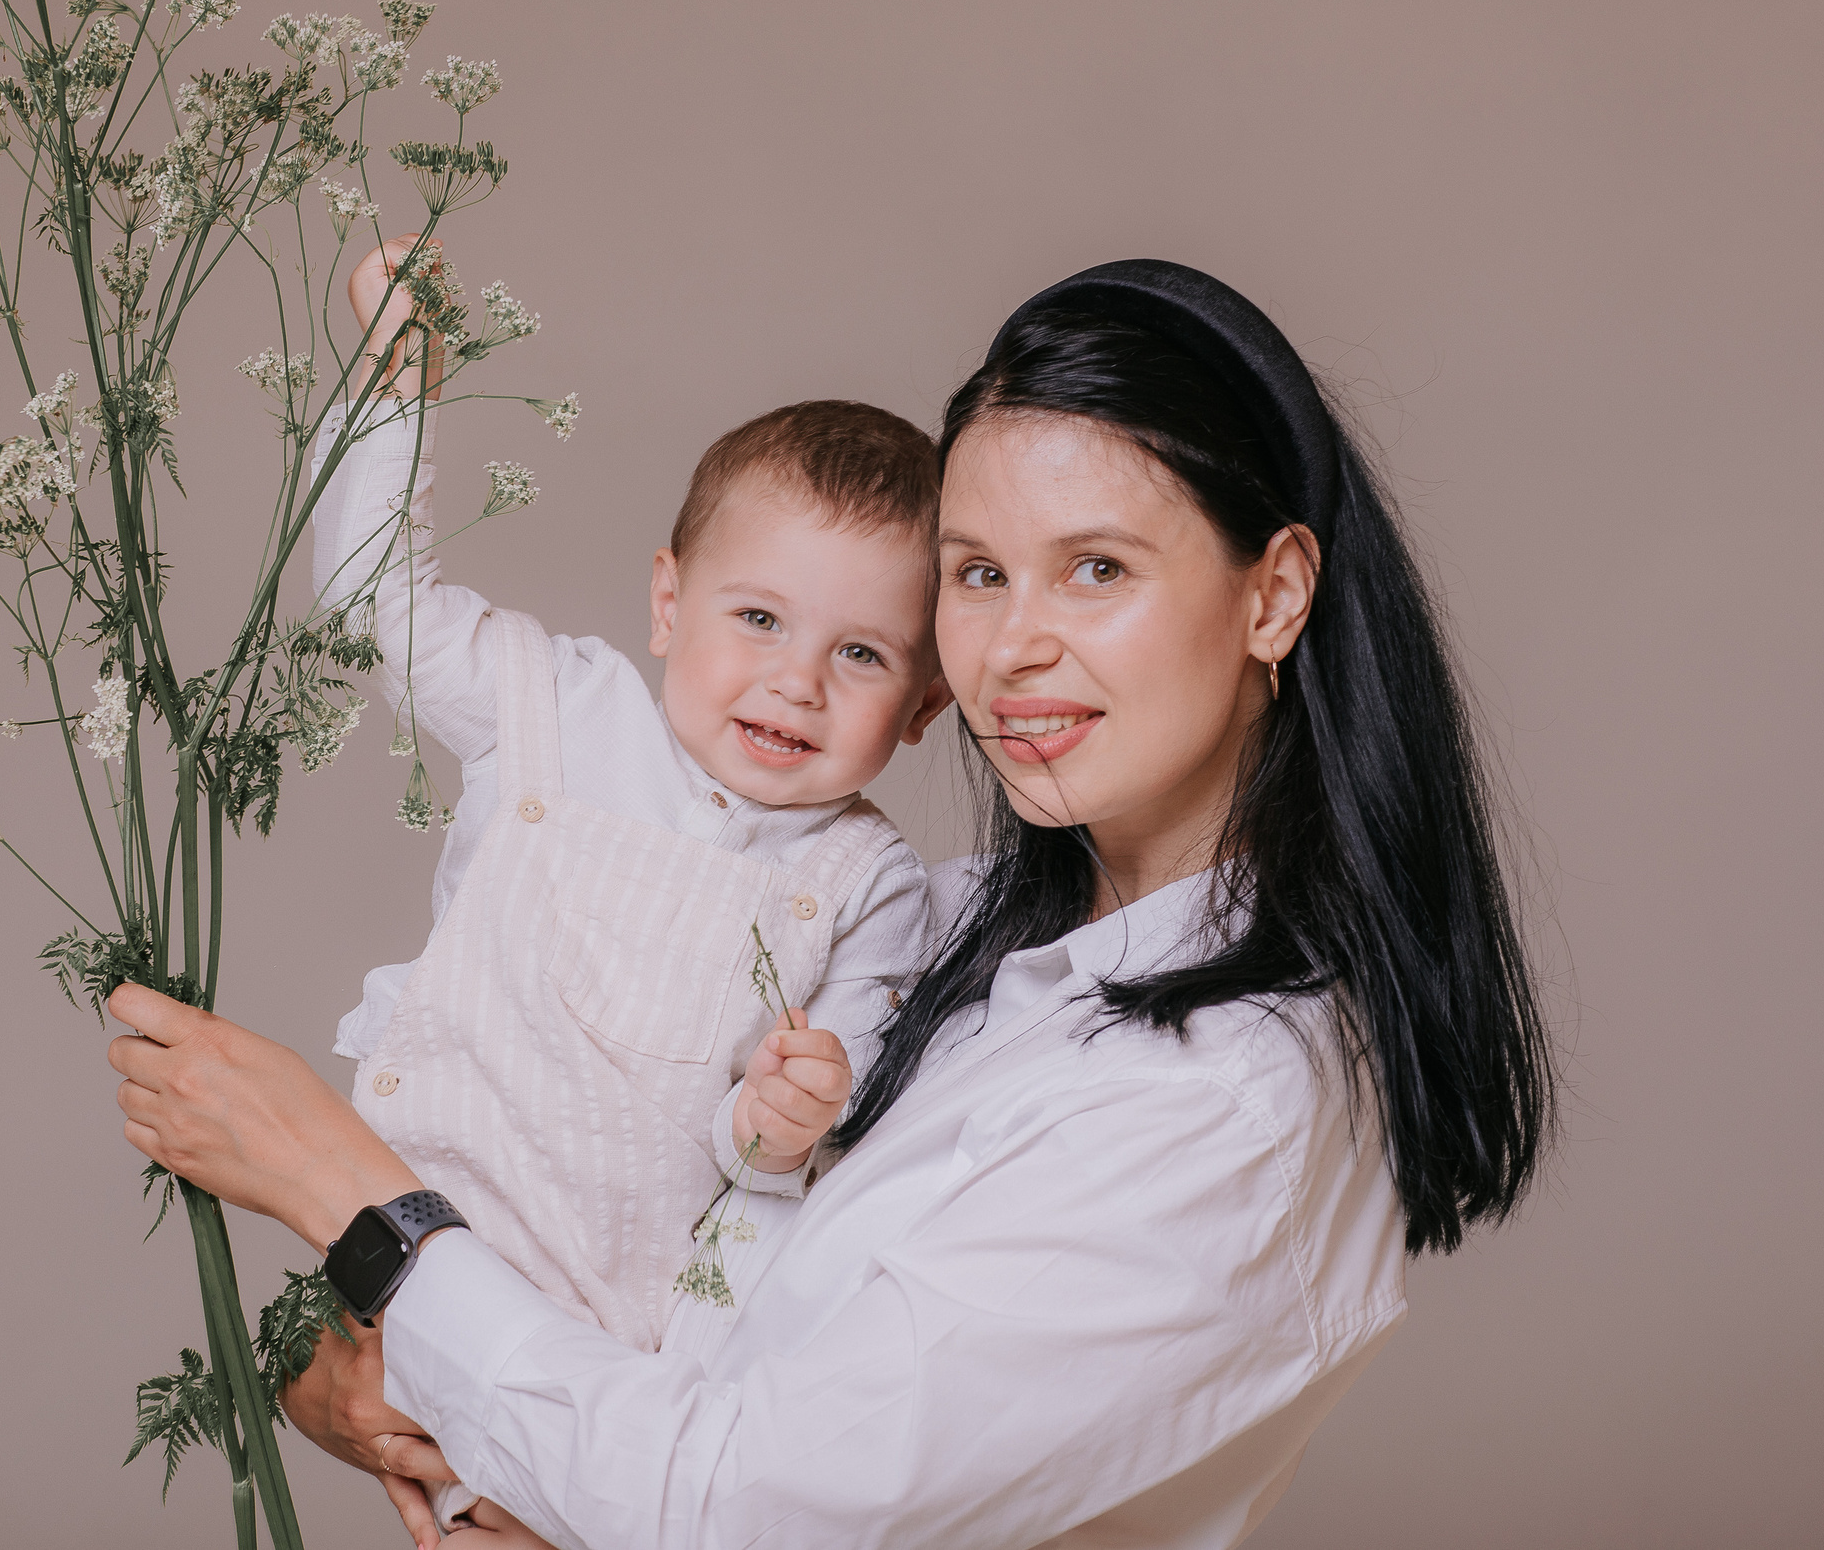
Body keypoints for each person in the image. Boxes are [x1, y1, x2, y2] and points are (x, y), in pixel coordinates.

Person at [110, 259, 1555, 1548]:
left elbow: (733, 1511)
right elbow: (656, 1366)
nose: (1014, 646)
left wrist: (347, 1196)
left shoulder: (1221, 1109)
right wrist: (357, 1382)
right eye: (978, 574)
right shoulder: (950, 929)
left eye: (1097, 569)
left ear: (1274, 595)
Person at [305, 237, 956, 1529]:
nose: (796, 682)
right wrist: (392, 391)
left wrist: (786, 1119)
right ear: (668, 602)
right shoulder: (554, 709)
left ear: (927, 704)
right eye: (758, 618)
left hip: (631, 1352)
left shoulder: (870, 881)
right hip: (422, 1257)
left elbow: (785, 1161)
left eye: (863, 655)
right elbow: (373, 603)